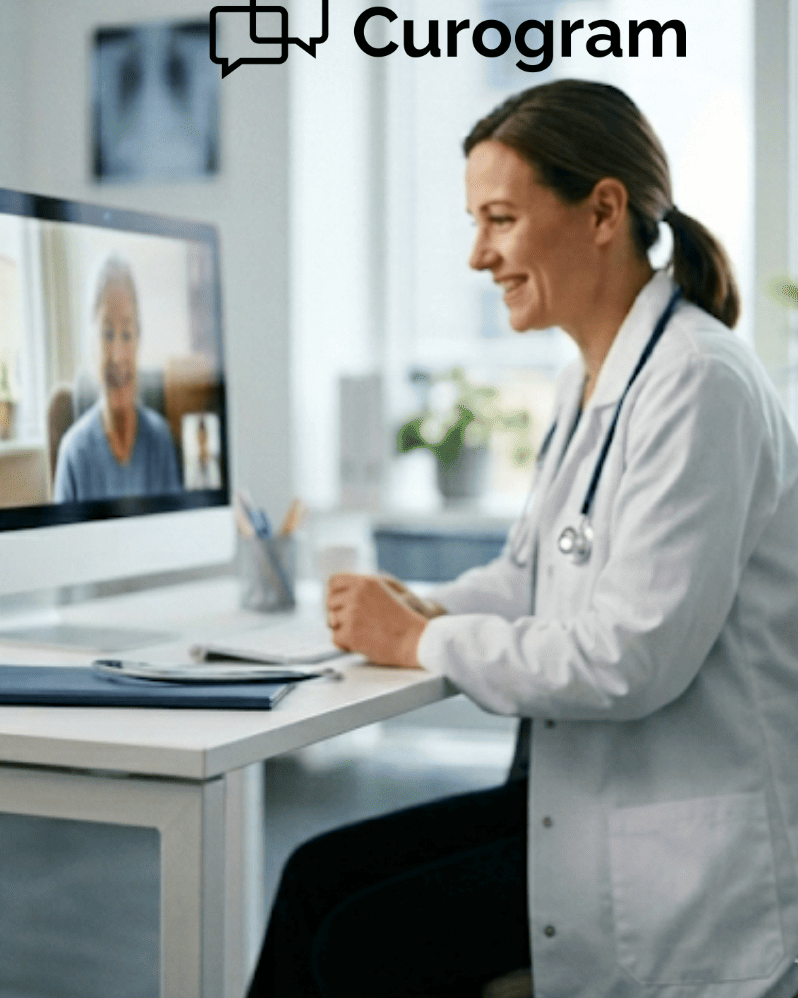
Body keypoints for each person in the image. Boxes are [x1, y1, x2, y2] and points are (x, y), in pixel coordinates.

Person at [250, 79, 798, 998]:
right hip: (577, 800)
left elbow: (631, 657)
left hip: (671, 849)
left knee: (359, 942)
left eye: (499, 218)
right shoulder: (590, 379)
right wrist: (423, 605)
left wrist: (419, 639)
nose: (478, 254)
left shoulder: (699, 381)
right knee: (316, 878)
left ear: (603, 210)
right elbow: (530, 575)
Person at [53, 256, 182, 502]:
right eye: (107, 333)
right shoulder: (73, 455)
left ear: (139, 340)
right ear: (92, 342)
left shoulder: (162, 440)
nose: (118, 354)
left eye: (127, 333)